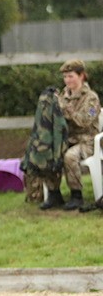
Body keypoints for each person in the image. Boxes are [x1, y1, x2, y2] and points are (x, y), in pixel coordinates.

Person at [40, 59, 100, 211]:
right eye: (65, 77)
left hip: (87, 141)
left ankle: (76, 195)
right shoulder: (62, 96)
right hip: (67, 139)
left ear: (81, 76)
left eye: (71, 76)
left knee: (70, 156)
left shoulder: (91, 98)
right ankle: (54, 193)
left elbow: (85, 121)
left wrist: (65, 110)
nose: (67, 80)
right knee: (47, 150)